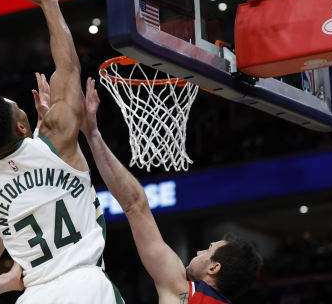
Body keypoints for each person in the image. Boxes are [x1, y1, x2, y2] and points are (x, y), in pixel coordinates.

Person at [0, 0, 122, 303]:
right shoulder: (58, 138)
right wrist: (49, 0)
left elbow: (12, 202)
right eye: (21, 109)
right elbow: (67, 67)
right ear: (22, 126)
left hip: (34, 295)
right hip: (84, 284)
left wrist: (36, 133)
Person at [79, 77, 263, 303]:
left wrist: (92, 134)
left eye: (207, 250)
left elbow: (135, 205)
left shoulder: (183, 291)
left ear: (214, 267)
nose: (198, 252)